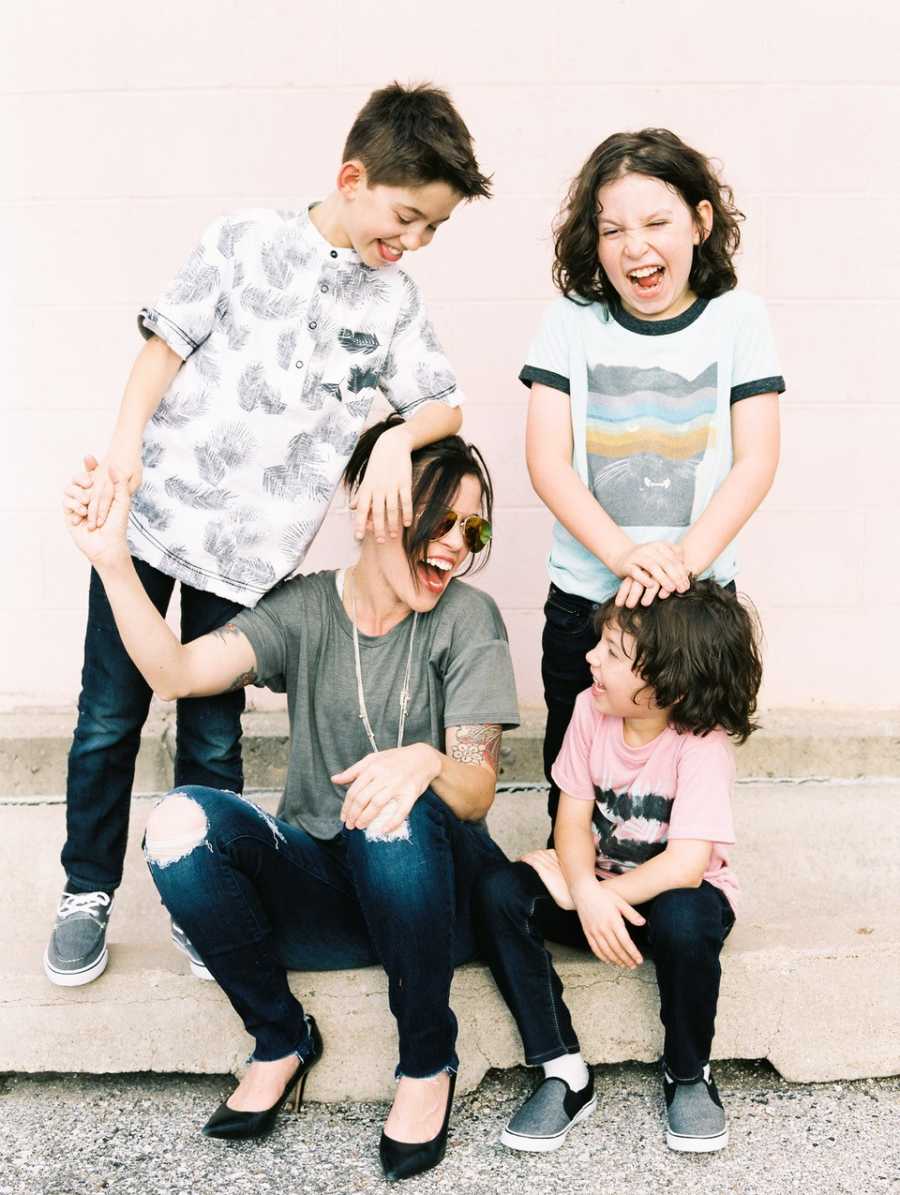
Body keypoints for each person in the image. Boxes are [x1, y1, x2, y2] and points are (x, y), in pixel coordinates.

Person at [46, 81, 494, 988]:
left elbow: (442, 400)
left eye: (433, 230)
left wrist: (404, 433)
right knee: (108, 717)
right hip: (155, 517)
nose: (411, 241)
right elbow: (161, 349)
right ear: (352, 176)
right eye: (407, 216)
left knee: (211, 736)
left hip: (251, 557)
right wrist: (122, 457)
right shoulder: (243, 240)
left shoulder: (394, 302)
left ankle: (195, 891)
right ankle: (86, 888)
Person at [62, 418, 519, 1181]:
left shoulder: (468, 619)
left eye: (472, 526)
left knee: (390, 804)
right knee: (178, 824)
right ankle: (280, 1035)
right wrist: (113, 562)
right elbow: (175, 671)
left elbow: (474, 793)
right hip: (328, 896)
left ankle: (427, 1056)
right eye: (437, 518)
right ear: (372, 508)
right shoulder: (307, 610)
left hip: (433, 898)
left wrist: (425, 758)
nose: (456, 545)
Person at [520, 127, 783, 835]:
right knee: (574, 775)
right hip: (586, 598)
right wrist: (622, 557)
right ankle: (579, 892)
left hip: (694, 602)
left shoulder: (740, 319)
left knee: (684, 780)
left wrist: (680, 567)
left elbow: (756, 459)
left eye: (657, 222)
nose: (635, 246)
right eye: (613, 230)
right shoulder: (569, 323)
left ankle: (676, 905)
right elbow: (547, 461)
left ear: (700, 222)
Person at [474, 581, 762, 1155]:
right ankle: (564, 1071)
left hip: (675, 895)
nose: (591, 658)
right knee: (500, 892)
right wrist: (584, 888)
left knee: (685, 917)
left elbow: (685, 865)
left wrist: (600, 898)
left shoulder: (701, 747)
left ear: (666, 683)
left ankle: (687, 1072)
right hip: (597, 891)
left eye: (611, 652)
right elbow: (572, 821)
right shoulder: (589, 709)